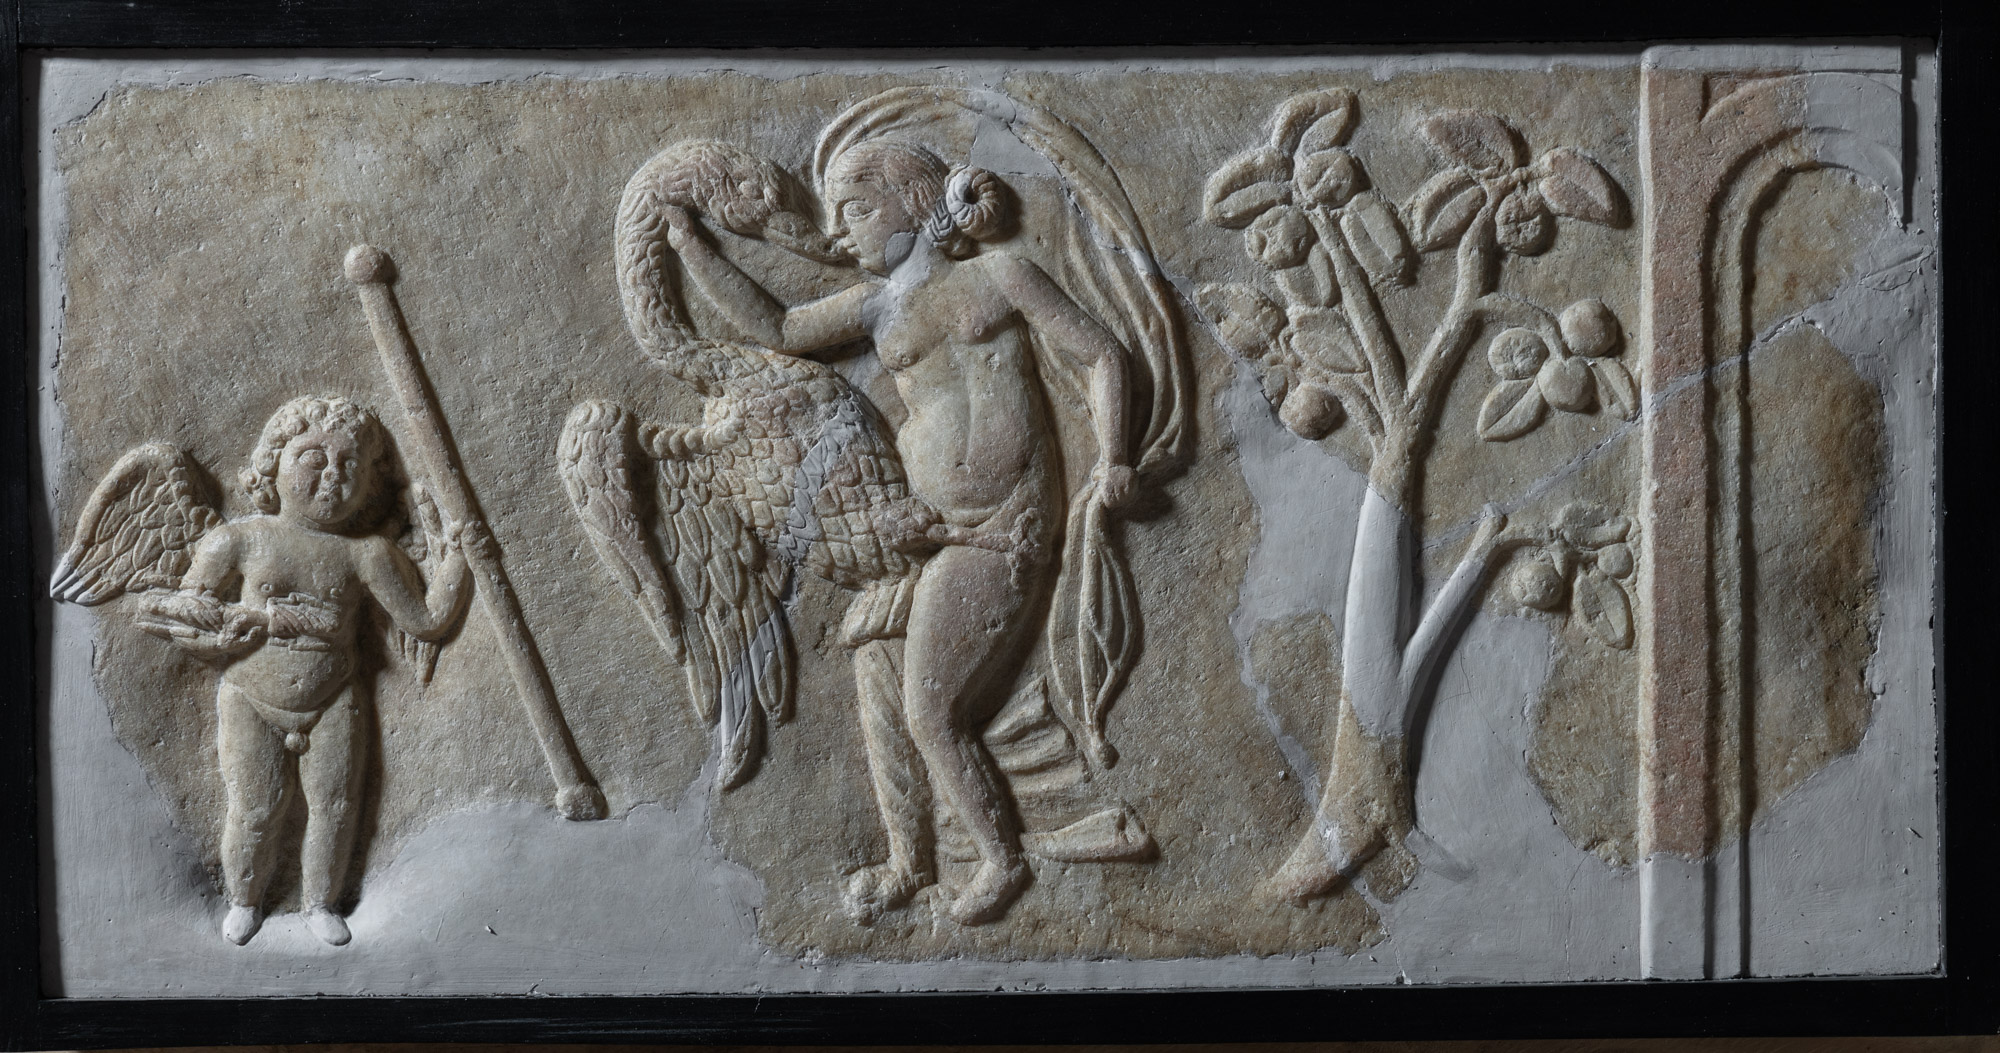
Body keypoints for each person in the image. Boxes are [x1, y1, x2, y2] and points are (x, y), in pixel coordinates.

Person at [666, 139, 1135, 924]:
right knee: (884, 672)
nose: (839, 230)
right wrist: (692, 246)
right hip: (928, 530)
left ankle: (1001, 859)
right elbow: (778, 325)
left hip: (1000, 524)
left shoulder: (999, 275)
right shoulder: (877, 306)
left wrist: (1115, 456)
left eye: (855, 208)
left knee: (931, 711)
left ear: (914, 201)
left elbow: (1102, 353)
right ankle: (914, 857)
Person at [137, 396, 478, 946]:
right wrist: (241, 625)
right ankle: (245, 900)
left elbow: (426, 622)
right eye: (313, 458)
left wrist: (459, 560)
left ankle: (320, 903)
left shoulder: (366, 554)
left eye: (350, 465)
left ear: (368, 483)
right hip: (252, 694)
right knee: (256, 808)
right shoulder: (240, 539)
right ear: (273, 462)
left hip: (333, 697)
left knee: (336, 807)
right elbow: (182, 609)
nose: (331, 476)